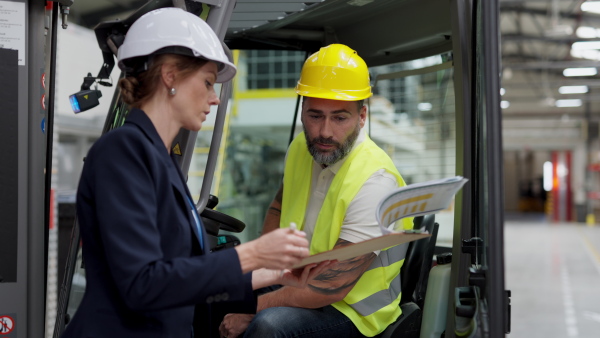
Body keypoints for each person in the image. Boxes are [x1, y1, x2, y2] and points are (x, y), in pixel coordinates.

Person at [61, 8, 332, 337]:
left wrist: (274, 274)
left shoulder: (160, 160)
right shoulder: (122, 152)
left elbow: (180, 278)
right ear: (170, 75)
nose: (214, 98)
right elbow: (143, 284)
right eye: (206, 82)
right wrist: (254, 253)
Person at [219, 44, 414, 338]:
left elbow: (331, 286)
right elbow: (278, 205)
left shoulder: (376, 181)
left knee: (269, 327)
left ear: (362, 117)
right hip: (297, 282)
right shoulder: (301, 148)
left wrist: (253, 308)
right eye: (315, 115)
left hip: (351, 310)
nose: (324, 132)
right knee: (214, 297)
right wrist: (264, 266)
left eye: (339, 118)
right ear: (302, 111)